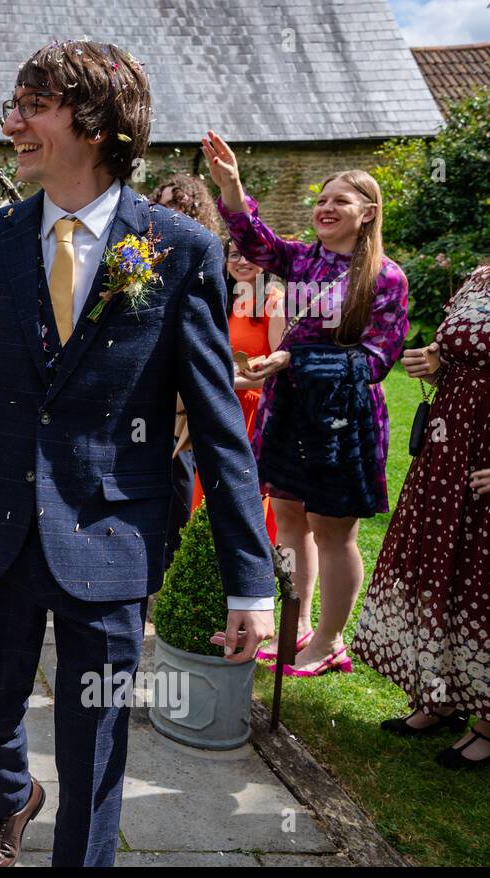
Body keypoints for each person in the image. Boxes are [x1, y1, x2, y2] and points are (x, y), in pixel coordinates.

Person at [0, 41, 276, 867]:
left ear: (96, 124)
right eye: (14, 103)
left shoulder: (179, 250)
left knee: (95, 750)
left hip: (111, 537)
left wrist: (251, 579)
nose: (12, 122)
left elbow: (217, 428)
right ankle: (11, 793)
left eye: (34, 105)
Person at [204, 133, 409, 677]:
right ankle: (294, 626)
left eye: (340, 201)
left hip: (344, 421)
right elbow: (255, 244)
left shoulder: (386, 278)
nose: (325, 207)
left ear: (367, 214)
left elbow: (376, 360)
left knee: (333, 528)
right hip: (289, 411)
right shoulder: (301, 260)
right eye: (321, 199)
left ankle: (330, 638)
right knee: (289, 519)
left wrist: (293, 361)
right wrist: (233, 187)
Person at [354, 265, 490, 768]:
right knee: (440, 572)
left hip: (484, 459)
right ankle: (443, 696)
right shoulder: (479, 277)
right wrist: (434, 366)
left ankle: (488, 723)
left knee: (479, 580)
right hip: (449, 446)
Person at [150, 174, 225, 574]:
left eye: (177, 205)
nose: (167, 212)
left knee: (182, 480)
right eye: (160, 203)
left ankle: (175, 569)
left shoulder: (206, 257)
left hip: (188, 393)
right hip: (150, 390)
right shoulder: (145, 258)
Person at [191, 239, 285, 555]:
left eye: (251, 253)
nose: (242, 260)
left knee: (245, 493)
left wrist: (226, 377)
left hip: (253, 412)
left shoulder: (275, 302)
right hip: (218, 407)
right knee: (208, 489)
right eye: (234, 254)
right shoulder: (224, 300)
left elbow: (279, 365)